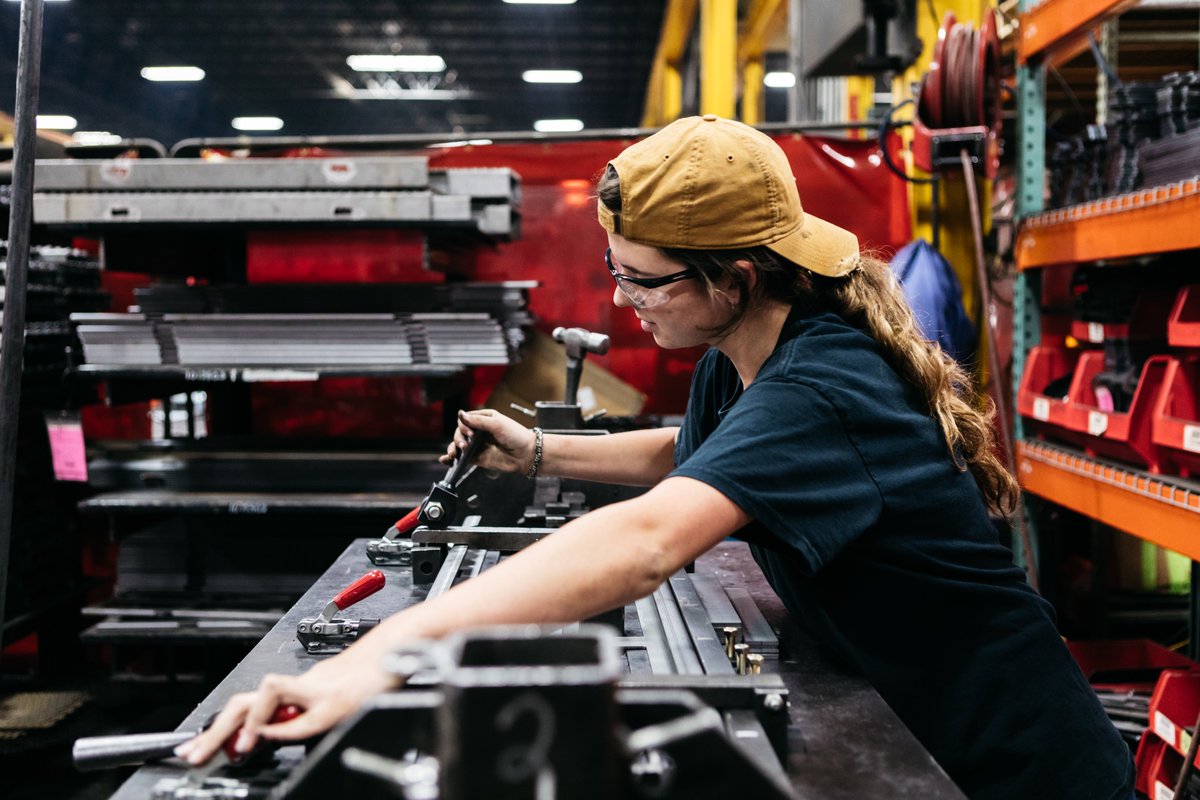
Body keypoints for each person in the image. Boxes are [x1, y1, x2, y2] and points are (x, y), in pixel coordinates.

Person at [177, 115, 1134, 800]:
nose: (624, 298)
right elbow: (699, 452)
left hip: (1006, 758)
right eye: (615, 269)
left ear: (737, 276)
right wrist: (541, 451)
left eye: (645, 279)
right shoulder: (746, 347)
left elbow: (646, 543)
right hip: (920, 715)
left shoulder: (826, 381)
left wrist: (381, 658)